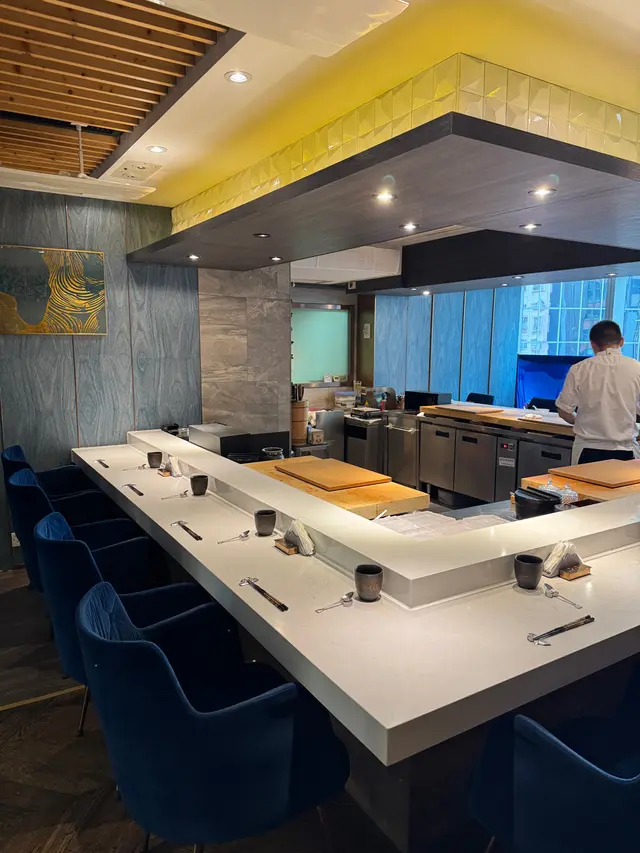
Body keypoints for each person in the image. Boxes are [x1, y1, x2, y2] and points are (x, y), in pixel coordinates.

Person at [556, 320, 640, 465]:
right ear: (622, 341)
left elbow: (563, 411)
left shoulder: (579, 369)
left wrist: (579, 421)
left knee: (583, 481)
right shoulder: (637, 368)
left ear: (593, 344)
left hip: (587, 449)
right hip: (626, 450)